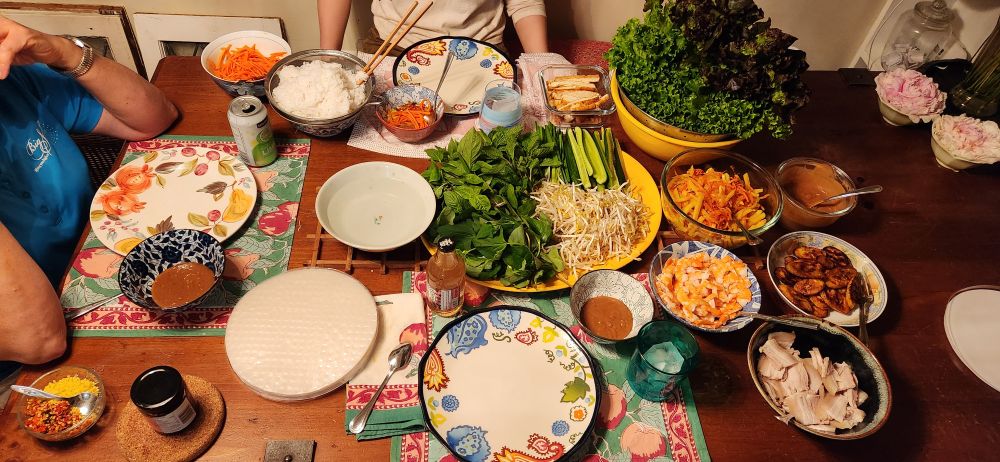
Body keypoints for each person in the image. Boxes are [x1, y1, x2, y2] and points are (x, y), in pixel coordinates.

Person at [0, 16, 178, 364]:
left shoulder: (11, 80)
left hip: (99, 265)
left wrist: (62, 52)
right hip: (36, 362)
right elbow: (40, 340)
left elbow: (152, 118)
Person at [318, 0, 548, 55]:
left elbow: (525, 3)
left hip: (481, 49)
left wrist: (540, 62)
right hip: (390, 45)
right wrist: (328, 58)